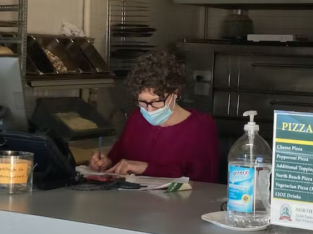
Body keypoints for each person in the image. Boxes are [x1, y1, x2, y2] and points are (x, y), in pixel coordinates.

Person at [91, 50, 220, 183]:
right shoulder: (136, 119)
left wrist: (147, 168)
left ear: (175, 92)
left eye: (157, 101)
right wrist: (106, 162)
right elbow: (119, 156)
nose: (149, 109)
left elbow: (204, 180)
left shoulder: (200, 126)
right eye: (142, 102)